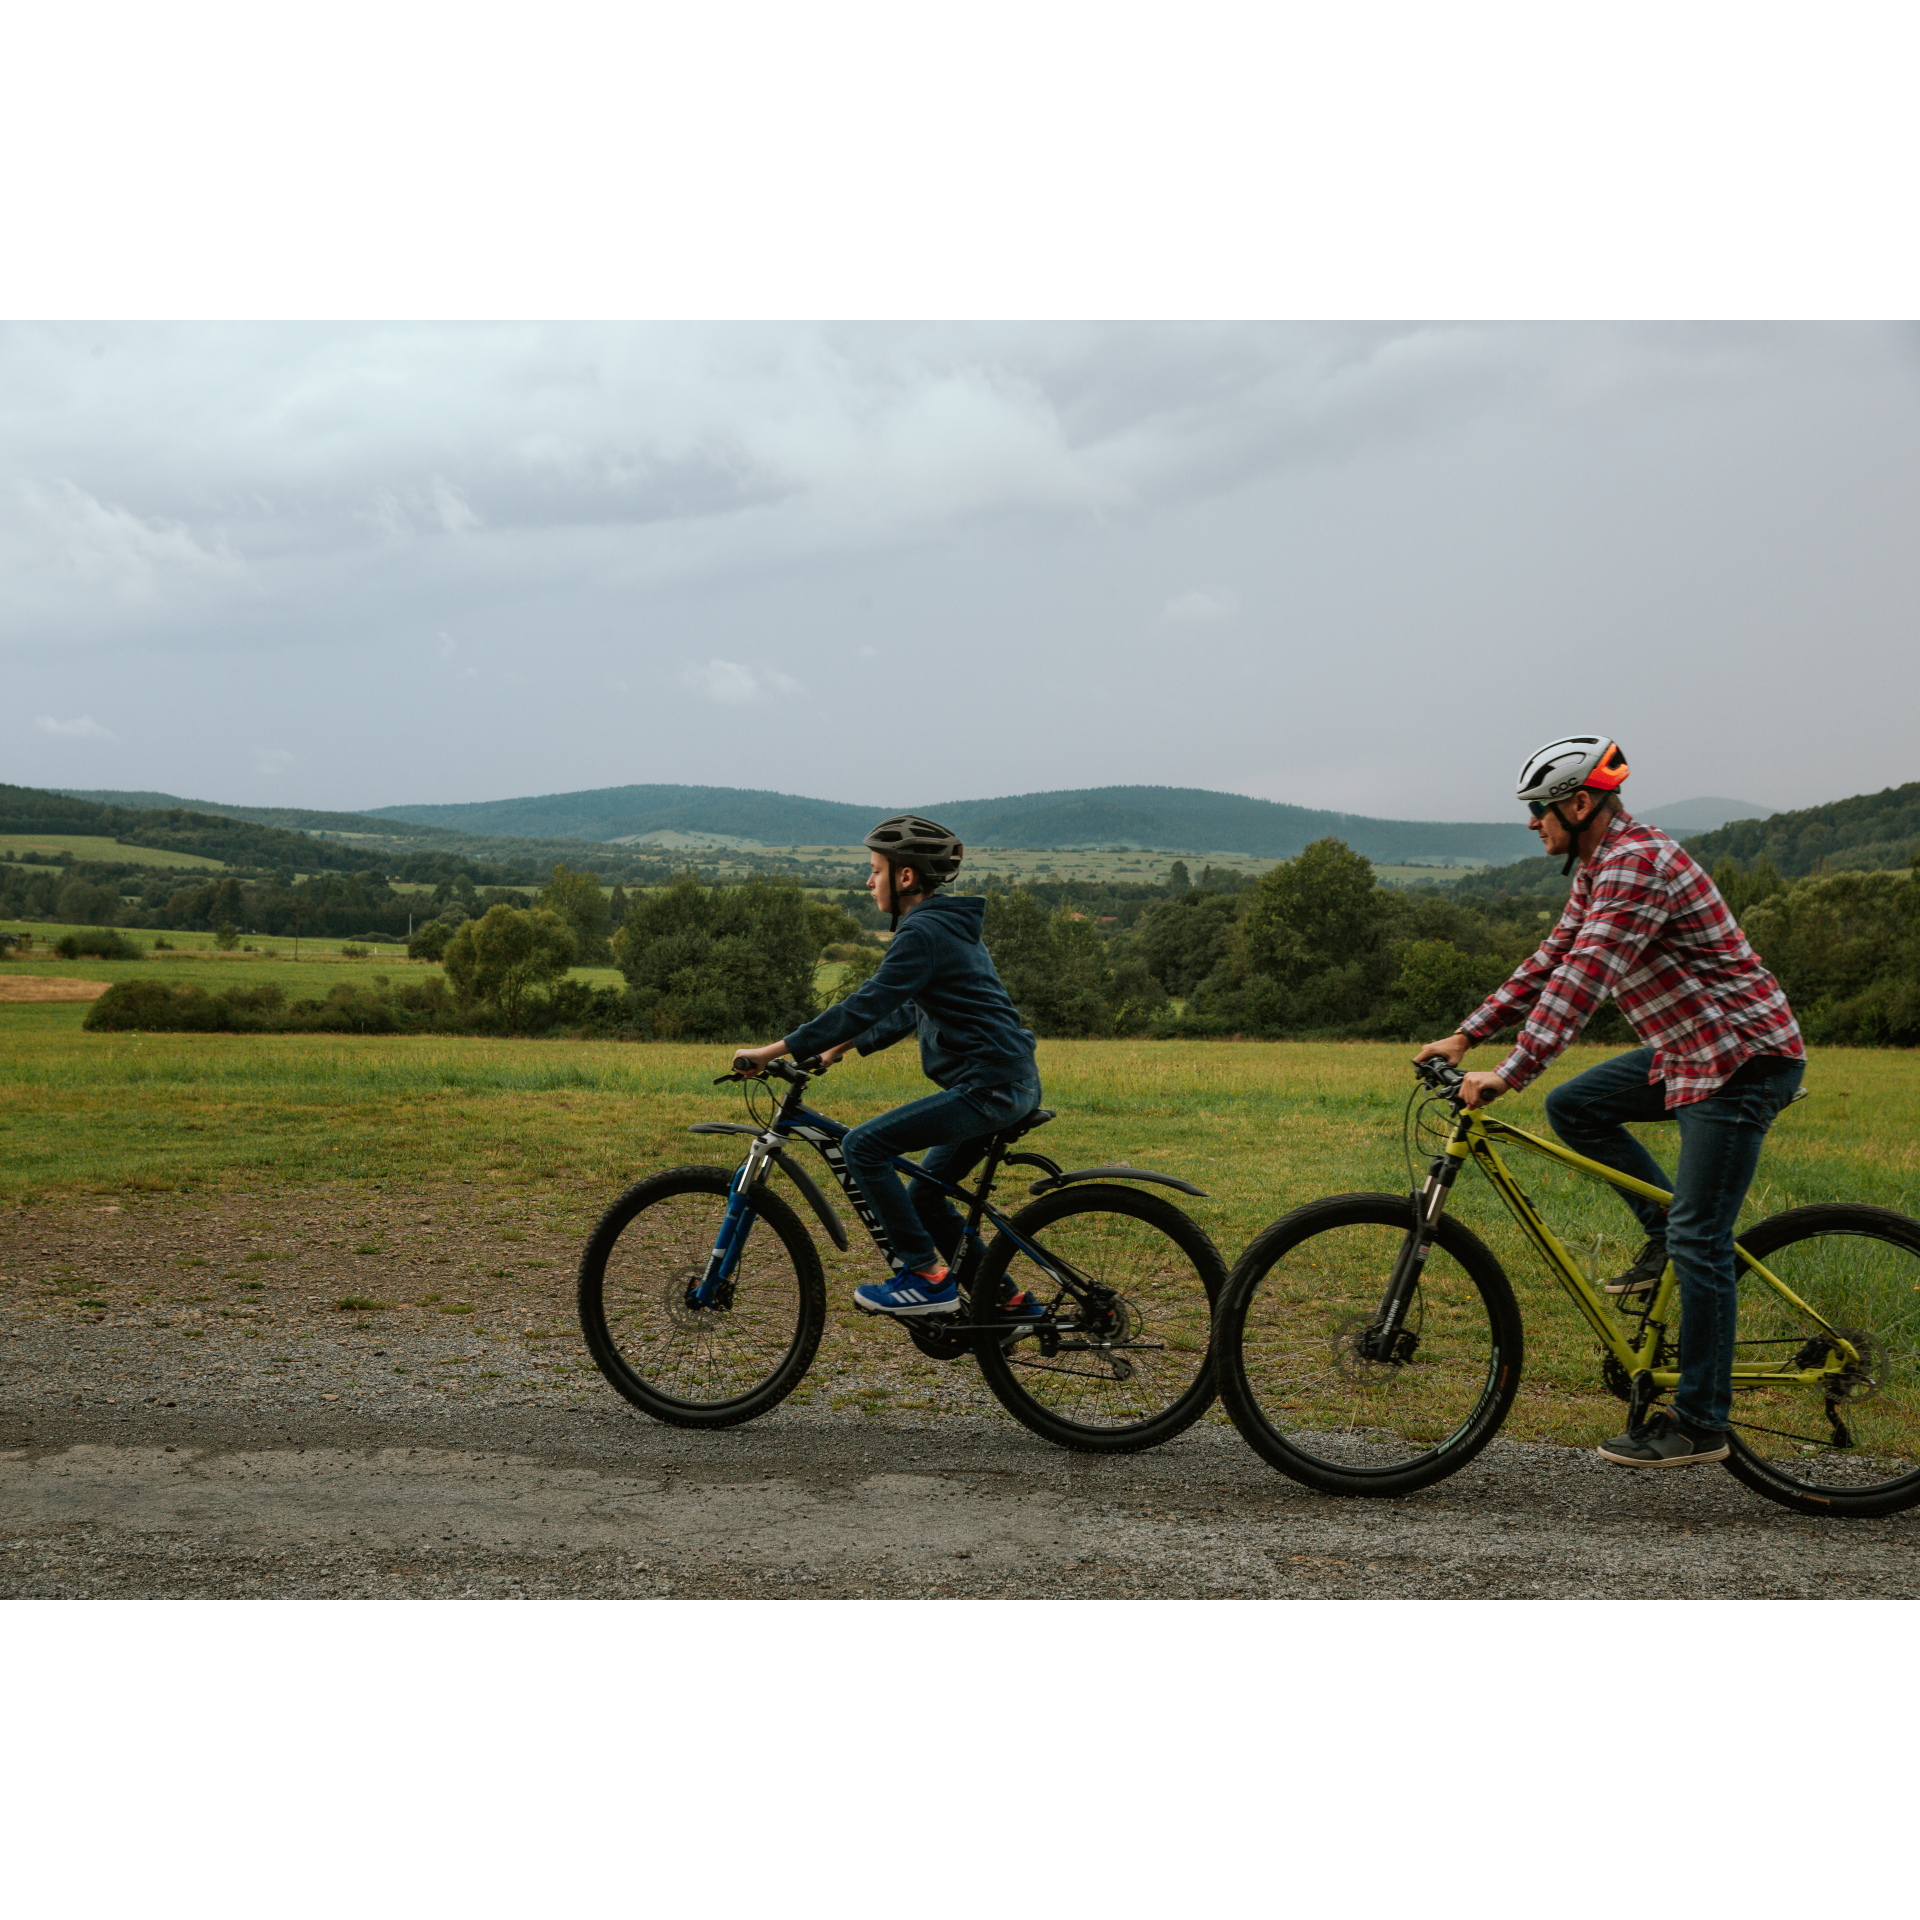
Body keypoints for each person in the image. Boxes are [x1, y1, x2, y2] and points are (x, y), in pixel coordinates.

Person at [1414, 734, 1805, 1469]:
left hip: (1741, 1061)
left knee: (1703, 1241)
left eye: (1539, 811)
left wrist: (1512, 1069)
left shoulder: (1636, 865)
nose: (1533, 825)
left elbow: (1584, 979)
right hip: (1689, 1052)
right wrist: (1466, 1035)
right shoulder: (1599, 866)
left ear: (1579, 802)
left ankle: (1699, 1423)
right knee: (1577, 1108)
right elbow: (1552, 957)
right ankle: (1663, 1234)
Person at [731, 814, 1044, 1320]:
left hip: (990, 1087)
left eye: (875, 869)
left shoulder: (922, 932)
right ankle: (1006, 1302)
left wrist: (773, 1051)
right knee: (923, 1198)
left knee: (864, 1145)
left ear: (905, 877)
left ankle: (925, 1277)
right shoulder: (944, 924)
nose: (867, 880)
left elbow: (865, 1002)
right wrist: (842, 1047)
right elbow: (907, 1005)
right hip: (1004, 1080)